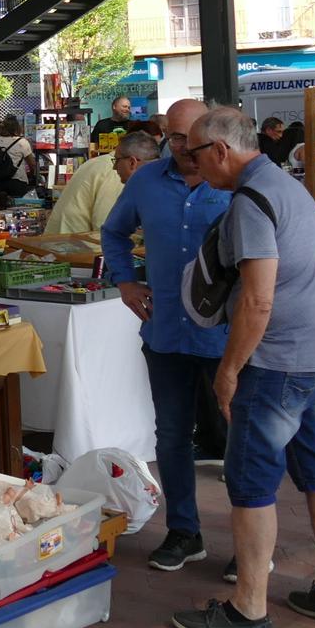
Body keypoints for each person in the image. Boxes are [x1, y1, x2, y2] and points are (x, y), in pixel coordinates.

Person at [169, 107, 315, 628]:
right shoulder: (285, 185)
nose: (193, 165)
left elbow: (257, 300)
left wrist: (228, 371)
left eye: (195, 154)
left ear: (221, 151)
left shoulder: (250, 202)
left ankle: (248, 608)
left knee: (251, 483)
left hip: (275, 362)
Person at [101, 97, 234, 573]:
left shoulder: (235, 182)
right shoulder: (145, 181)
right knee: (172, 434)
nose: (181, 147)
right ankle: (183, 531)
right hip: (166, 330)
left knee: (241, 438)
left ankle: (249, 544)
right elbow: (113, 233)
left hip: (225, 336)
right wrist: (125, 280)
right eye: (173, 137)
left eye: (190, 137)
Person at [46, 132, 158, 236]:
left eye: (116, 161)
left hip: (64, 243)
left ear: (133, 163)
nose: (114, 167)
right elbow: (107, 225)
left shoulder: (100, 163)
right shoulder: (115, 176)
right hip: (73, 247)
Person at [0, 115, 37, 197]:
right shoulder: (22, 142)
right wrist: (31, 174)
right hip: (18, 180)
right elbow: (32, 164)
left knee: (1, 205)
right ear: (17, 128)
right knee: (18, 205)